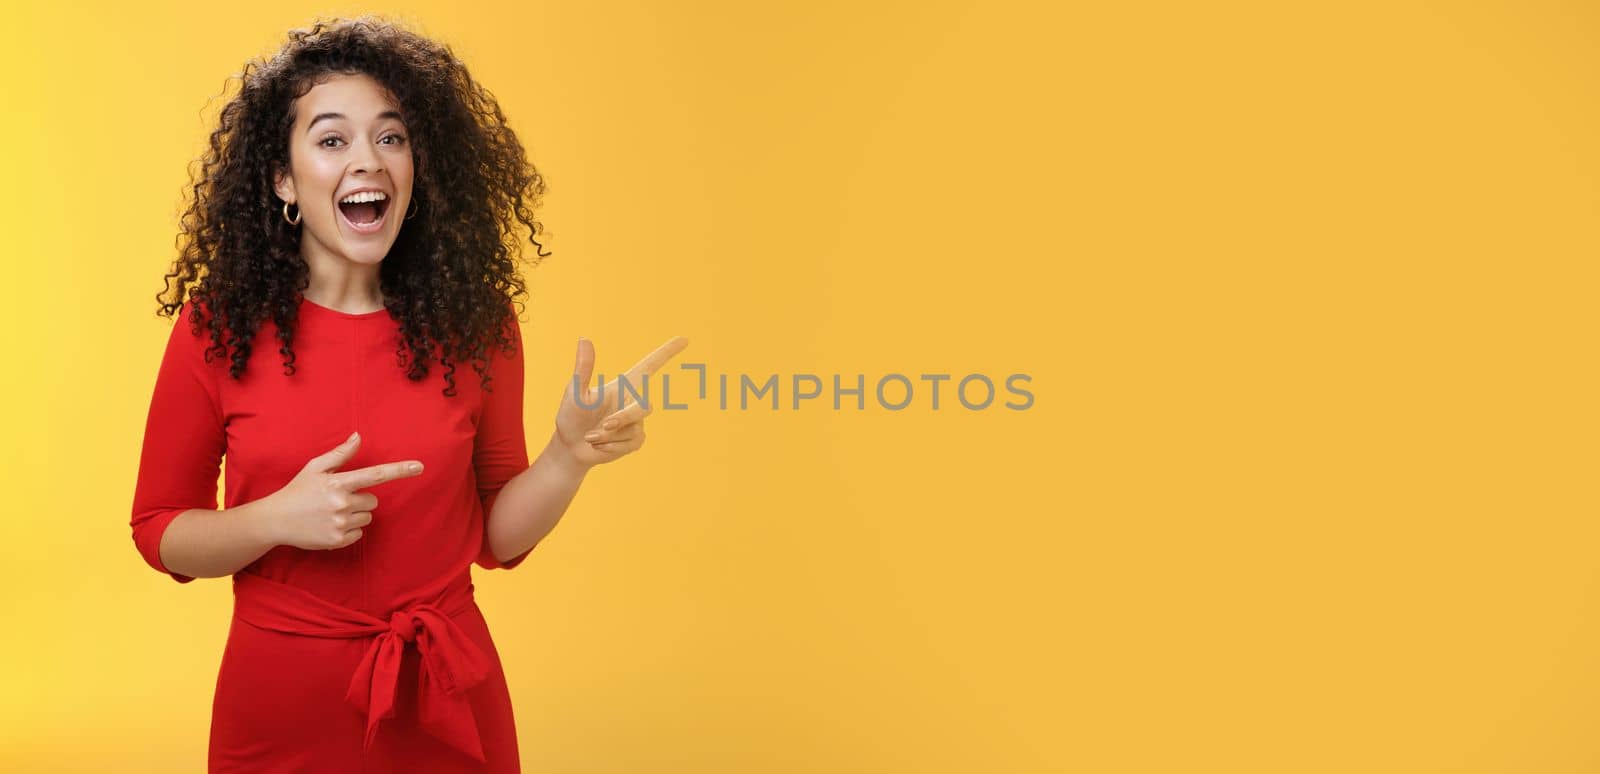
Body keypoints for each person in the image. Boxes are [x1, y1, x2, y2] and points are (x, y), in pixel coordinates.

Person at [129, 17, 686, 772]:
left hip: (449, 698)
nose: (369, 161)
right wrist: (274, 519)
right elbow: (160, 531)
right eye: (332, 140)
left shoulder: (477, 322)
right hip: (281, 706)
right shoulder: (216, 328)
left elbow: (494, 539)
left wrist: (566, 458)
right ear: (283, 178)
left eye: (391, 137)